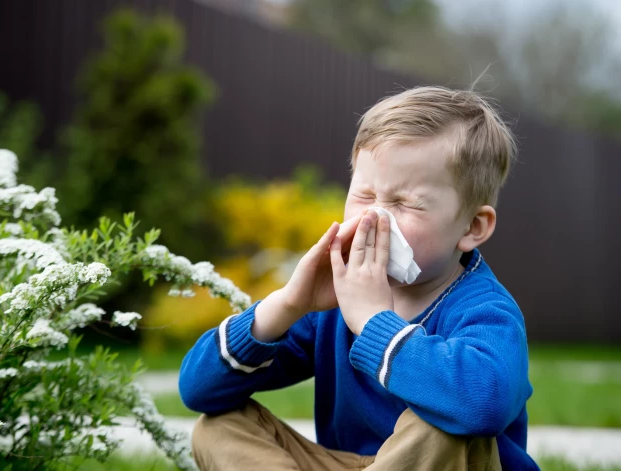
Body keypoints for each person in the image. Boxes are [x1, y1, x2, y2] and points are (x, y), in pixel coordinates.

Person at [179, 85, 539, 470]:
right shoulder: (334, 301)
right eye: (364, 196)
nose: (375, 218)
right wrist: (287, 305)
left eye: (406, 203)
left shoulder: (485, 310)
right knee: (217, 426)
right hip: (346, 461)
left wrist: (372, 324)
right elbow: (199, 391)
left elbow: (484, 406)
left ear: (472, 226)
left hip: (440, 461)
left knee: (442, 423)